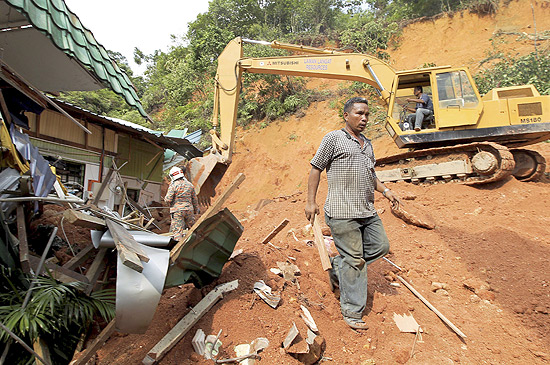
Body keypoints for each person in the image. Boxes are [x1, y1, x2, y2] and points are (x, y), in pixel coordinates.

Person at [304, 96, 400, 330]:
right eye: (359, 113)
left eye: (367, 114)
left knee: (381, 246)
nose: (364, 118)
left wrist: (386, 191)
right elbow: (315, 169)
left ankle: (339, 267)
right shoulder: (334, 139)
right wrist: (310, 202)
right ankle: (351, 311)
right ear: (346, 115)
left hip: (367, 210)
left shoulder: (367, 144)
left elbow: (371, 175)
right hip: (341, 211)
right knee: (355, 261)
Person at [164, 166, 200, 241]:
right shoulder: (190, 185)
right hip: (189, 210)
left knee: (178, 232)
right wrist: (196, 210)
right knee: (192, 229)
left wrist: (166, 200)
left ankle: (178, 248)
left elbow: (168, 199)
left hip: (177, 211)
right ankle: (195, 243)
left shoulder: (173, 185)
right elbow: (195, 199)